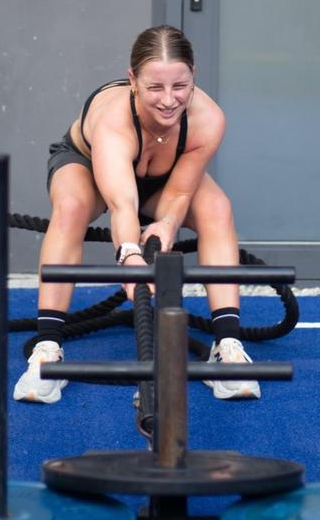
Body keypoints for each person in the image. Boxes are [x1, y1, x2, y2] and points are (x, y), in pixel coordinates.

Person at [14, 25, 261, 404]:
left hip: (162, 179)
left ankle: (227, 345)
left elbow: (179, 192)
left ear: (193, 74)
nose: (168, 100)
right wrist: (129, 253)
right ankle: (47, 351)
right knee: (71, 207)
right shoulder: (114, 119)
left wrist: (166, 224)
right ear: (133, 80)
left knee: (217, 207)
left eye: (179, 86)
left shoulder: (208, 120)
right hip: (89, 169)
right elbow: (122, 204)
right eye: (154, 88)